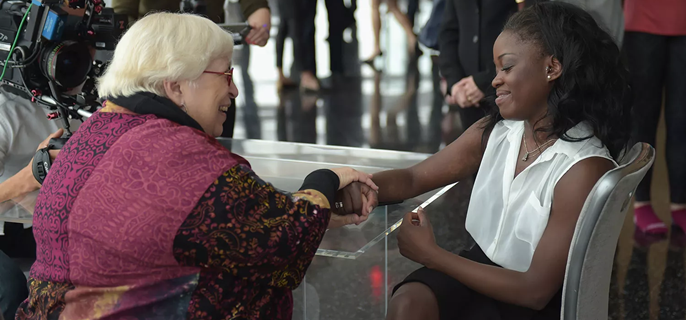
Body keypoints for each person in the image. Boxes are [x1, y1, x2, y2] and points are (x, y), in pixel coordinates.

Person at [15, 12, 378, 319]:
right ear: (175, 86)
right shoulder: (180, 158)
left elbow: (197, 226)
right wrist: (324, 181)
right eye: (225, 76)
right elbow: (287, 242)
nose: (234, 92)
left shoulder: (90, 133)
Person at [370, 2, 631, 319]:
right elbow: (412, 179)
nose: (494, 81)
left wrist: (431, 255)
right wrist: (345, 186)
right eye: (495, 71)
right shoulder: (499, 131)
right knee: (409, 303)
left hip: (533, 299)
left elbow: (534, 291)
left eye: (506, 68)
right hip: (478, 270)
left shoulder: (583, 167)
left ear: (552, 68)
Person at [623, 0, 686, 236]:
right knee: (642, 117)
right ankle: (642, 204)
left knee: (682, 120)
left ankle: (680, 204)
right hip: (642, 20)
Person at [439, 0, 518, 132]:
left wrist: (483, 82)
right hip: (465, 92)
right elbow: (449, 32)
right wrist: (454, 83)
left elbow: (529, 36)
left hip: (507, 89)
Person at [111, 0, 272, 46]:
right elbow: (121, 17)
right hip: (156, 66)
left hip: (211, 67)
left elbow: (257, 8)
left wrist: (261, 29)